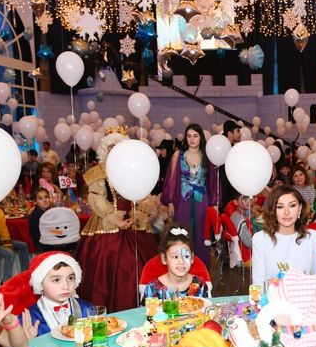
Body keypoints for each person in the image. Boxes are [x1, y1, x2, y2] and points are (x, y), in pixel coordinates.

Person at [75, 128, 159, 312]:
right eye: (110, 146)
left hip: (133, 222)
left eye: (117, 146)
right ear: (104, 149)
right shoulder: (98, 172)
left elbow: (144, 195)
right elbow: (96, 197)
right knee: (108, 265)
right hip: (106, 223)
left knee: (139, 264)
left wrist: (137, 214)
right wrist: (113, 218)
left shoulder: (134, 169)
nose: (114, 150)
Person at [162, 124, 219, 268]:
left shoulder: (208, 156)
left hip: (202, 200)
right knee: (182, 232)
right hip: (182, 200)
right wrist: (170, 202)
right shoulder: (178, 155)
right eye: (189, 136)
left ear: (201, 137)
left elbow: (213, 182)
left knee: (201, 233)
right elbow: (171, 179)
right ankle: (180, 266)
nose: (192, 139)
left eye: (195, 136)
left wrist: (214, 204)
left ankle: (201, 268)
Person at [1, 251, 92, 338]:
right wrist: (28, 341)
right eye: (56, 280)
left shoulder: (86, 308)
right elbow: (11, 346)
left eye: (70, 278)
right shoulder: (29, 317)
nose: (66, 286)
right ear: (40, 283)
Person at [251, 185, 316, 284]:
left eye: (292, 205)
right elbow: (258, 283)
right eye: (280, 207)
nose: (286, 212)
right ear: (273, 210)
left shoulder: (314, 238)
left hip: (307, 294)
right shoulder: (260, 239)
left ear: (300, 208)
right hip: (271, 294)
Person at [140, 225, 210, 299]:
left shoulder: (199, 285)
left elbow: (205, 305)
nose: (181, 262)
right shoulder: (152, 289)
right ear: (164, 259)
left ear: (192, 258)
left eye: (186, 256)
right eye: (175, 257)